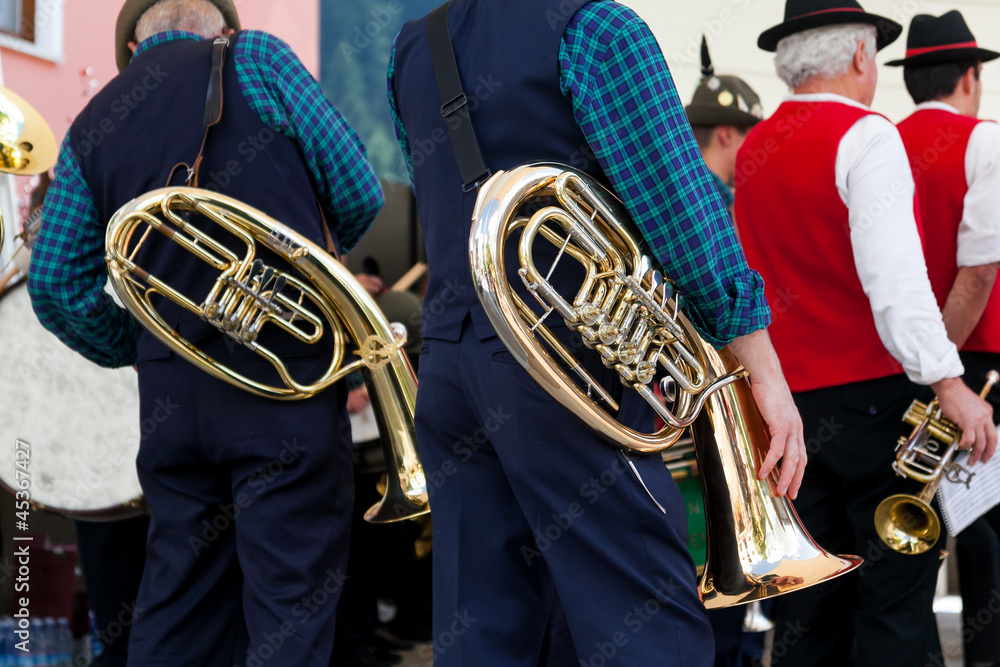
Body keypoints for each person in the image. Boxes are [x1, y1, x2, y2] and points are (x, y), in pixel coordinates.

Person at [387, 1, 808, 664]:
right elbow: (682, 212)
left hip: (449, 364)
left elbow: (439, 196)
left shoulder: (414, 45)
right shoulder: (596, 28)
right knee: (647, 614)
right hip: (565, 368)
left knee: (482, 627)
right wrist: (764, 367)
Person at [28, 1, 384, 665]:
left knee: (179, 606)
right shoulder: (259, 59)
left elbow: (55, 285)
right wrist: (296, 277)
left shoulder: (93, 118)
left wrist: (145, 345)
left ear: (133, 45)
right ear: (222, 29)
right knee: (289, 607)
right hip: (287, 383)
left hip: (174, 407)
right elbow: (361, 189)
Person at [733, 1, 997, 665]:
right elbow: (896, 286)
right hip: (875, 405)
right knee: (893, 605)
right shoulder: (867, 135)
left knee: (805, 609)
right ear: (858, 56)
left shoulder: (754, 144)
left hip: (782, 408)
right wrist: (949, 380)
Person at [890, 12, 1000, 666]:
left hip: (890, 363)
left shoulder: (876, 140)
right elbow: (982, 271)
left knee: (910, 531)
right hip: (975, 362)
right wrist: (946, 372)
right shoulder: (983, 141)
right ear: (969, 75)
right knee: (986, 531)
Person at [684, 39, 769, 667]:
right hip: (702, 402)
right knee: (708, 563)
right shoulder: (712, 205)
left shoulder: (721, 200)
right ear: (729, 135)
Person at [685, 36, 764, 218]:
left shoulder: (685, 188)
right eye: (751, 137)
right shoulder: (719, 204)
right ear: (726, 134)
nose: (757, 148)